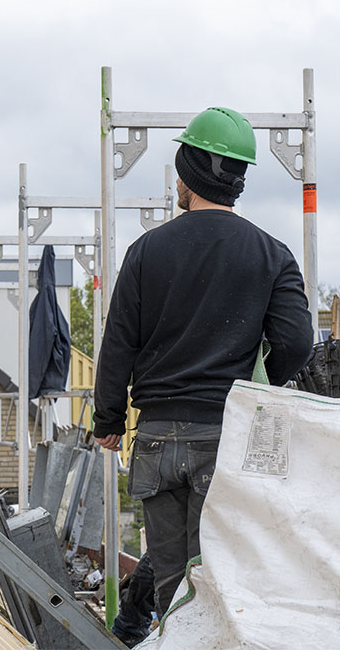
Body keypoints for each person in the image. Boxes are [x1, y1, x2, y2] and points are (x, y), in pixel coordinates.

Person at [92, 107, 313, 617]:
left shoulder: (146, 252)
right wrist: (253, 387)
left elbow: (119, 342)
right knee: (217, 581)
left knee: (171, 586)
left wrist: (108, 420)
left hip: (157, 439)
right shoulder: (271, 255)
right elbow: (297, 342)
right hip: (225, 435)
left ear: (187, 171)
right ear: (239, 180)